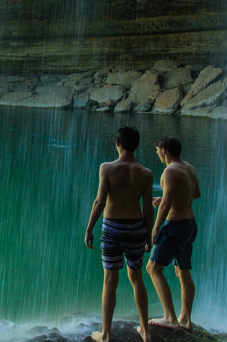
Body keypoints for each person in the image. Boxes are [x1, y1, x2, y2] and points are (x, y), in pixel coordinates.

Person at [85, 127, 154, 342]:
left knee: (110, 280)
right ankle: (145, 330)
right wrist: (149, 234)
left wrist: (89, 228)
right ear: (136, 145)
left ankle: (105, 334)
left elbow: (100, 201)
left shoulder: (107, 168)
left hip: (112, 228)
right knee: (137, 278)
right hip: (136, 228)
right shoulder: (146, 173)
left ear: (118, 144)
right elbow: (149, 209)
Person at [147, 136, 200, 331]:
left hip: (175, 227)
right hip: (190, 225)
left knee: (152, 269)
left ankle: (170, 317)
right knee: (182, 271)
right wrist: (166, 197)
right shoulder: (188, 167)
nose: (157, 153)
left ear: (165, 151)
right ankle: (185, 319)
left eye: (157, 150)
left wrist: (155, 228)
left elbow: (168, 204)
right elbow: (195, 193)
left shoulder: (169, 171)